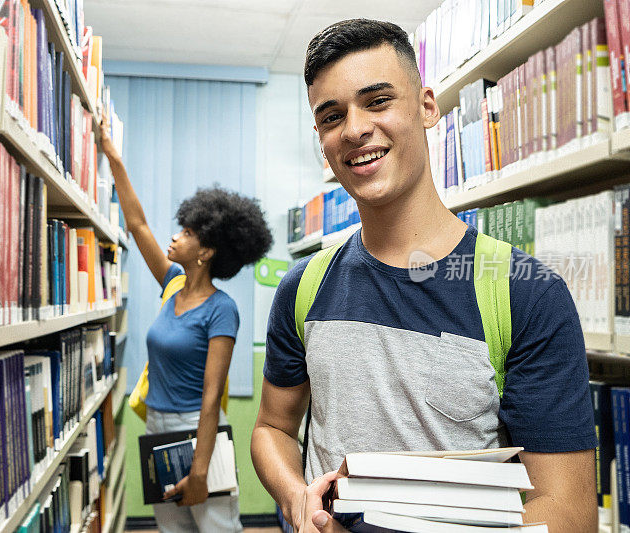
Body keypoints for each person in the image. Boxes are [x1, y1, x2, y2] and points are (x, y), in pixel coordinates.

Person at [250, 18, 597, 533]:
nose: (355, 129)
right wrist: (297, 496)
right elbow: (273, 427)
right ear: (322, 139)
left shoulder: (525, 293)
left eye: (378, 100)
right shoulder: (302, 287)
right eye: (331, 116)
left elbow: (568, 512)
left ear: (428, 107)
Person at [99, 114, 272, 532]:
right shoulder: (172, 284)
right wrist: (112, 155)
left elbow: (211, 399)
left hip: (198, 434)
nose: (175, 237)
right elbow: (137, 224)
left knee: (215, 528)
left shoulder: (221, 309)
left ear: (207, 250)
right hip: (156, 425)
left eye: (188, 231)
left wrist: (199, 471)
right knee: (172, 529)